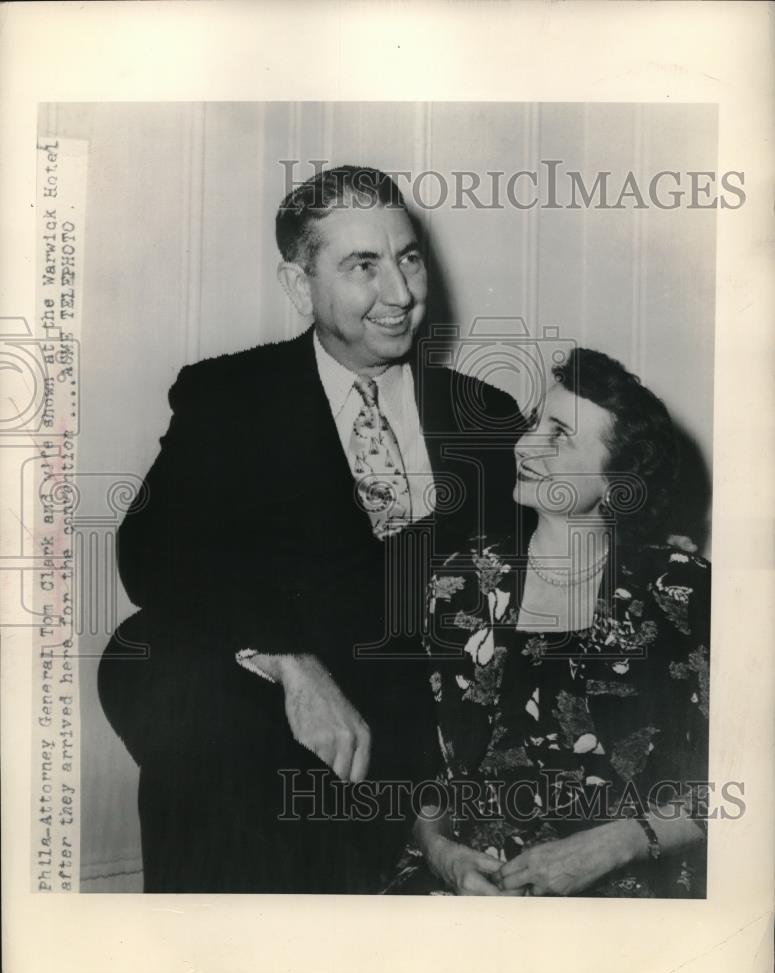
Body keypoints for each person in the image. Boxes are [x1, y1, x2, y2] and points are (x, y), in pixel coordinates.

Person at [98, 165, 527, 893]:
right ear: (300, 285)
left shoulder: (484, 411)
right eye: (363, 266)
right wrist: (289, 659)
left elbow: (519, 574)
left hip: (414, 702)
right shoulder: (232, 395)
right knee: (184, 690)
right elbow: (153, 556)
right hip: (259, 697)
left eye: (408, 257)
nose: (399, 293)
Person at [387, 347, 711, 897]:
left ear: (619, 480)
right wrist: (443, 854)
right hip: (468, 899)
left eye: (559, 434)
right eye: (538, 422)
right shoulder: (461, 582)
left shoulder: (683, 591)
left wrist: (619, 844)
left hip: (623, 899)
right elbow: (426, 770)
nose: (525, 444)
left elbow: (749, 779)